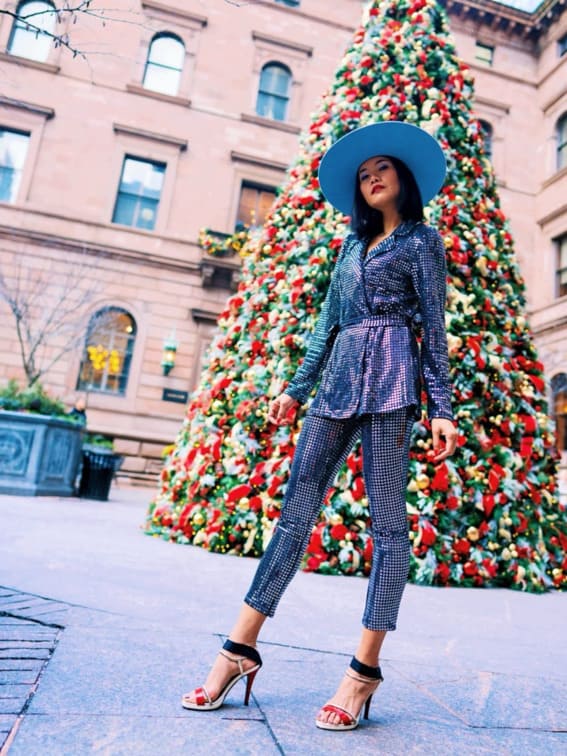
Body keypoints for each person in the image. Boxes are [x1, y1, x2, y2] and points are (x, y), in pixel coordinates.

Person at [182, 121, 458, 731]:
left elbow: (434, 332)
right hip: (335, 382)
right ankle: (238, 649)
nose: (372, 178)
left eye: (381, 169)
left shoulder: (422, 242)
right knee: (295, 510)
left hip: (391, 381)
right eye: (363, 175)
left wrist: (441, 406)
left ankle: (362, 672)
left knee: (389, 525)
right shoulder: (349, 249)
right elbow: (325, 326)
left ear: (404, 179)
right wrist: (295, 387)